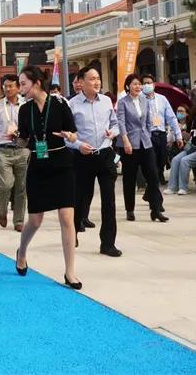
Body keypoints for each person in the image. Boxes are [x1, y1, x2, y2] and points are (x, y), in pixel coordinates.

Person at [13, 66, 81, 289]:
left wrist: (70, 136)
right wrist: (15, 137)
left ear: (36, 83)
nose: (20, 88)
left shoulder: (60, 104)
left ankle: (70, 272)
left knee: (66, 217)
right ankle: (22, 251)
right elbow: (23, 142)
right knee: (35, 220)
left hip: (62, 164)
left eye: (23, 84)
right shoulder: (25, 110)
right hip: (38, 166)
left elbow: (73, 133)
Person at [67, 66, 122, 257]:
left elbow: (115, 124)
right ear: (81, 82)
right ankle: (72, 233)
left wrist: (112, 133)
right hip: (83, 157)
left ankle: (108, 243)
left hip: (105, 154)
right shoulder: (72, 104)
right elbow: (66, 135)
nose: (96, 82)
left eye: (98, 78)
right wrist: (78, 145)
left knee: (109, 201)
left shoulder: (106, 101)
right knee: (80, 199)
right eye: (92, 79)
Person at [117, 74, 168, 222]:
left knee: (153, 176)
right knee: (129, 178)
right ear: (128, 86)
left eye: (139, 84)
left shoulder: (144, 100)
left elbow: (147, 122)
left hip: (145, 142)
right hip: (129, 144)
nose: (138, 86)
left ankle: (155, 210)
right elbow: (121, 122)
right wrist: (125, 141)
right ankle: (130, 209)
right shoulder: (123, 102)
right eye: (134, 84)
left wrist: (149, 135)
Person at [0, 73, 28, 230]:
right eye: (5, 86)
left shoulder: (26, 105)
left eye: (11, 86)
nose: (8, 89)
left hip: (22, 150)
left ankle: (19, 220)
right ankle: (2, 211)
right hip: (2, 150)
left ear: (18, 87)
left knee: (21, 186)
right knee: (6, 184)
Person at [141, 74, 183, 187]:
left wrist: (178, 135)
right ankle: (153, 180)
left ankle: (160, 174)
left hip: (161, 133)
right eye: (144, 83)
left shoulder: (162, 99)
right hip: (148, 134)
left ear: (154, 84)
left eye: (149, 83)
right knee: (151, 158)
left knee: (162, 158)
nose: (147, 85)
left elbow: (171, 118)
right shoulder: (139, 99)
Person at [166, 104, 196, 195]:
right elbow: (188, 138)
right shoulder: (193, 123)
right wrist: (181, 131)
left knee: (184, 161)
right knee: (175, 160)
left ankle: (183, 187)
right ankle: (172, 187)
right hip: (191, 147)